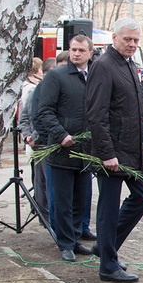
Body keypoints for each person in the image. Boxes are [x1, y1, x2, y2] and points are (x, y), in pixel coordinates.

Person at [85, 17, 143, 283]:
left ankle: (105, 247)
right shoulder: (103, 65)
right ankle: (108, 266)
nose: (132, 44)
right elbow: (96, 114)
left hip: (131, 151)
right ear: (114, 38)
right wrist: (106, 153)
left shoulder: (129, 64)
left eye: (136, 40)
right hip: (112, 154)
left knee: (142, 198)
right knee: (108, 208)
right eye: (127, 39)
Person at [34, 34, 96, 262]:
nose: (76, 53)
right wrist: (61, 135)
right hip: (62, 150)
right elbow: (45, 111)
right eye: (73, 49)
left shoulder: (94, 77)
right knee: (62, 201)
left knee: (81, 198)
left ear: (90, 53)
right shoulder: (56, 76)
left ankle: (77, 237)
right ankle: (65, 244)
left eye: (81, 50)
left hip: (85, 152)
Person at [18, 58, 48, 225]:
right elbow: (31, 116)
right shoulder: (32, 90)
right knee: (40, 180)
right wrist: (30, 136)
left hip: (35, 140)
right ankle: (42, 212)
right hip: (37, 142)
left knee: (40, 179)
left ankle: (41, 210)